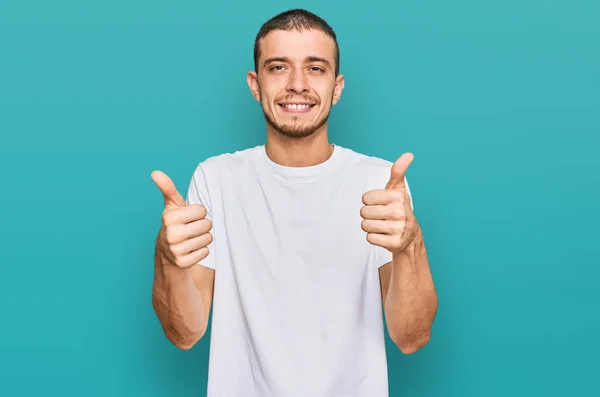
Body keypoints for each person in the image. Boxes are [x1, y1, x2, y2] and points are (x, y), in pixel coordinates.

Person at [150, 8, 438, 397]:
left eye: (315, 68)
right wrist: (167, 259)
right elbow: (185, 334)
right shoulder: (215, 179)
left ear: (337, 87)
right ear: (256, 84)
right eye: (278, 67)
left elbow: (411, 337)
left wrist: (410, 245)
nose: (297, 84)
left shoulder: (379, 182)